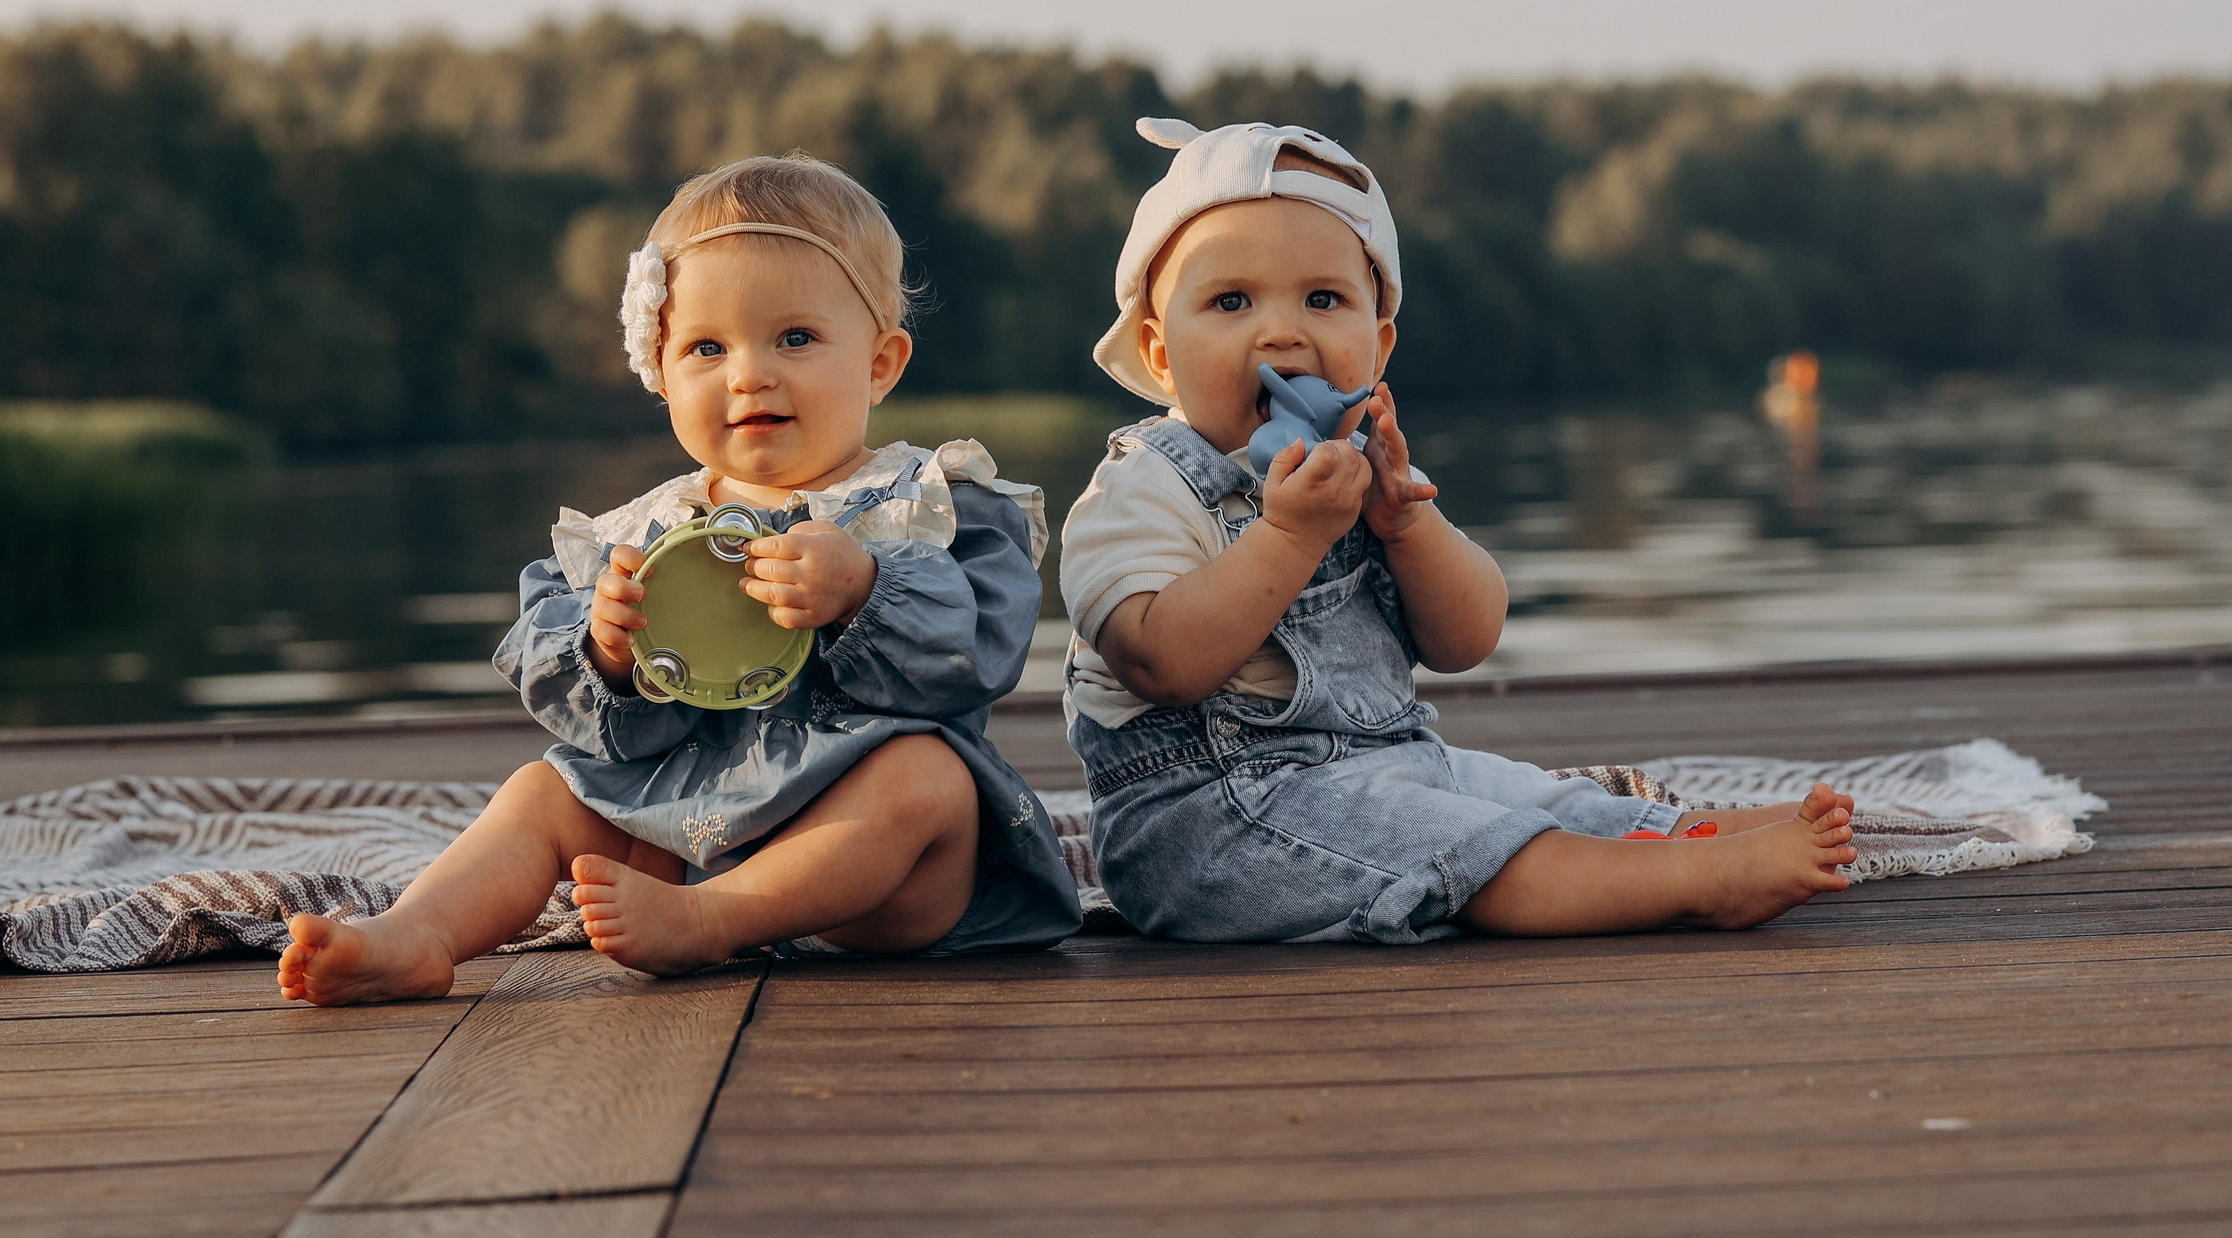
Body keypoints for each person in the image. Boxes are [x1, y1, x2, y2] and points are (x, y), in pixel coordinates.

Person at [280, 154, 1079, 1001]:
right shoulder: (639, 532)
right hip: (694, 835)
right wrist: (609, 652)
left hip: (874, 881)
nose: (749, 373)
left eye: (795, 338)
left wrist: (865, 591)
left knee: (930, 777)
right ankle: (417, 934)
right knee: (544, 789)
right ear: (660, 373)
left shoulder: (929, 502)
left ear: (880, 362)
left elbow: (983, 651)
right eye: (707, 347)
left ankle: (711, 923)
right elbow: (568, 701)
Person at [1059, 118, 1856, 945]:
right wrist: (1291, 538)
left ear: (1378, 347)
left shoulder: (1362, 470)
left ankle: (1688, 835)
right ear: (1160, 353)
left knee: (1529, 798)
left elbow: (1467, 638)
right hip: (1211, 828)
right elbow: (1160, 661)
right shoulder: (1146, 487)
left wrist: (1408, 525)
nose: (1282, 331)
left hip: (1384, 768)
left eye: (1323, 299)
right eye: (1232, 301)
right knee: (1469, 847)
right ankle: (1695, 885)